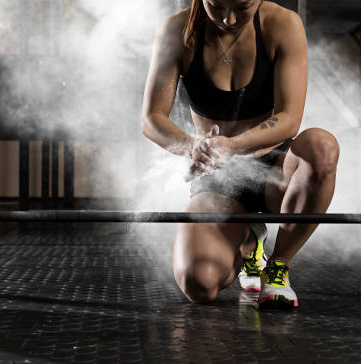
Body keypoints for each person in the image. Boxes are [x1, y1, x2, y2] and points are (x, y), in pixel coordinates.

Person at [141, 0, 339, 309]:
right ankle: (249, 244)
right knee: (199, 285)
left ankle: (278, 268)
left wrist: (232, 145)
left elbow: (289, 118)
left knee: (322, 146)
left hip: (274, 169)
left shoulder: (282, 24)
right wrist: (192, 146)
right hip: (219, 175)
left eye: (242, 6)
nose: (228, 18)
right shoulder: (176, 31)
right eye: (215, 5)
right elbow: (152, 118)